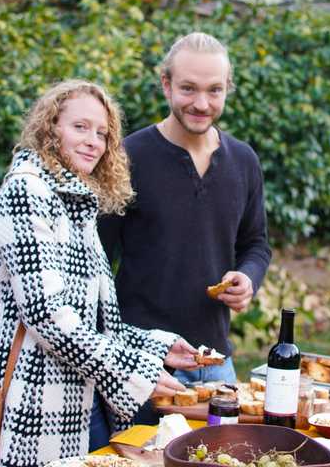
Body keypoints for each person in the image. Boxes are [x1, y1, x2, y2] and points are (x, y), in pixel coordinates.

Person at [0, 79, 197, 467]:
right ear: (50, 128)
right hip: (36, 405)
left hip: (81, 400)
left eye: (103, 133)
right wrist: (131, 371)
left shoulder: (73, 201)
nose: (95, 141)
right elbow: (48, 316)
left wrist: (156, 348)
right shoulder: (28, 192)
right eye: (80, 127)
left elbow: (92, 323)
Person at [99, 32, 272, 388]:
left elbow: (256, 243)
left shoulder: (243, 160)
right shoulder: (128, 157)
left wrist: (248, 278)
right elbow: (97, 259)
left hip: (215, 361)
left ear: (227, 89)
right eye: (188, 88)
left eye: (214, 90)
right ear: (166, 85)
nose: (202, 103)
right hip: (144, 365)